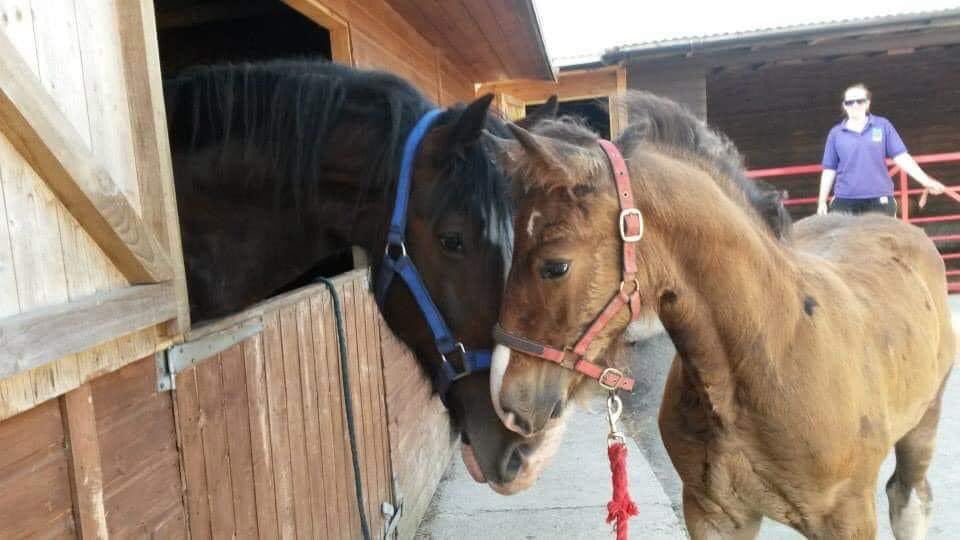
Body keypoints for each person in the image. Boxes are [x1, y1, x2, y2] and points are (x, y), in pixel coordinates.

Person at [817, 83, 946, 217]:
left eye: (860, 101)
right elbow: (829, 170)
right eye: (849, 102)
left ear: (868, 103)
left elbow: (902, 157)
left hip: (880, 198)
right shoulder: (836, 133)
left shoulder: (883, 126)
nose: (855, 105)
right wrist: (821, 202)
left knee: (884, 238)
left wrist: (926, 181)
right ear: (844, 106)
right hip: (845, 200)